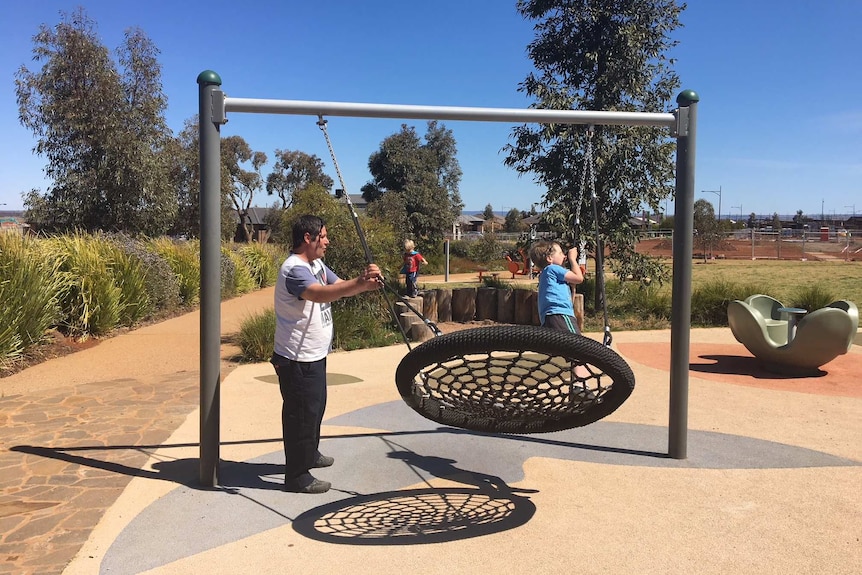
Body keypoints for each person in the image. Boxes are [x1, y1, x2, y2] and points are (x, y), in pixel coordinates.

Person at [271, 215, 382, 494]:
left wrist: (365, 284)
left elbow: (338, 286)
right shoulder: (294, 269)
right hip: (296, 358)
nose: (327, 241)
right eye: (323, 236)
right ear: (308, 238)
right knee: (300, 415)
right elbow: (319, 294)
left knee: (316, 408)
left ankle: (309, 454)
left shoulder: (316, 264)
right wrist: (359, 282)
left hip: (314, 355)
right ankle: (296, 476)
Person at [528, 240, 585, 334]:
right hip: (560, 315)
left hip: (549, 318)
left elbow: (570, 301)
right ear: (549, 258)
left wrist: (572, 286)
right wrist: (572, 259)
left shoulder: (545, 274)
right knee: (577, 344)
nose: (564, 256)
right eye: (560, 253)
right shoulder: (552, 268)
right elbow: (579, 278)